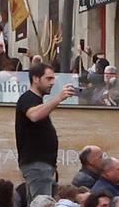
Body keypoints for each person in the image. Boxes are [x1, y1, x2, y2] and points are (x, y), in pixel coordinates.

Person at [15, 63, 76, 198]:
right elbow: (34, 115)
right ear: (36, 79)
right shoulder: (28, 98)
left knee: (41, 206)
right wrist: (58, 99)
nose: (52, 83)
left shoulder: (37, 100)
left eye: (53, 79)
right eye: (48, 79)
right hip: (37, 165)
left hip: (43, 166)